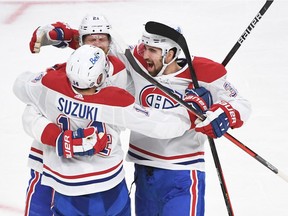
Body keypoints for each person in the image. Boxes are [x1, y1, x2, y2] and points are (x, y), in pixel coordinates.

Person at [27, 17, 251, 215]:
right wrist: (70, 37)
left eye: (152, 50)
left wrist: (221, 114)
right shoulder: (138, 63)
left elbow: (239, 103)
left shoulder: (202, 74)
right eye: (144, 47)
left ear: (171, 54)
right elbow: (103, 50)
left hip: (182, 172)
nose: (144, 54)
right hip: (143, 170)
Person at [14, 45, 198, 215]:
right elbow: (162, 126)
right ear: (100, 77)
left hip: (65, 186)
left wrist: (56, 70)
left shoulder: (48, 86)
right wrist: (193, 113)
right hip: (110, 187)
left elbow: (20, 86)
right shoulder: (114, 101)